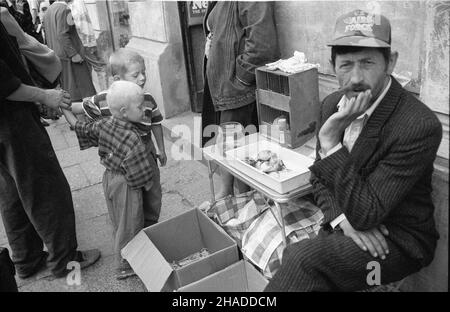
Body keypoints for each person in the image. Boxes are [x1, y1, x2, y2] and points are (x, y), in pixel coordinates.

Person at [265, 9, 442, 292]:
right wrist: (342, 220)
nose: (356, 78)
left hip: (397, 239)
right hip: (350, 218)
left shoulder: (418, 125)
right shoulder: (333, 103)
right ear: (332, 64)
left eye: (367, 63)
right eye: (346, 65)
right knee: (296, 262)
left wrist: (332, 142)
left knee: (302, 260)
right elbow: (319, 179)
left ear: (390, 63)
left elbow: (368, 214)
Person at [0, 11, 100, 279]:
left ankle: (27, 260)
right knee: (45, 188)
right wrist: (46, 95)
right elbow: (6, 85)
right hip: (11, 120)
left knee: (10, 191)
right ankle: (65, 261)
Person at [61, 80, 166, 280]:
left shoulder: (103, 124)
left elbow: (78, 126)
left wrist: (62, 107)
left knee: (119, 220)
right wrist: (149, 184)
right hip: (127, 184)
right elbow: (141, 176)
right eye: (140, 106)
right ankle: (125, 265)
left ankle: (131, 251)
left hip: (109, 178)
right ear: (125, 111)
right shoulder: (134, 138)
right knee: (130, 223)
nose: (144, 109)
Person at [201, 1, 279, 199]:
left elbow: (262, 48)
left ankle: (240, 205)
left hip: (235, 86)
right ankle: (234, 201)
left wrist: (240, 79)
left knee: (240, 151)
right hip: (224, 83)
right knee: (232, 148)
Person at [43, 0, 96, 102]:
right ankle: (89, 116)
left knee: (69, 90)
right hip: (69, 55)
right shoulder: (65, 10)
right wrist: (74, 54)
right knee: (81, 92)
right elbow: (63, 34)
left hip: (57, 54)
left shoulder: (48, 11)